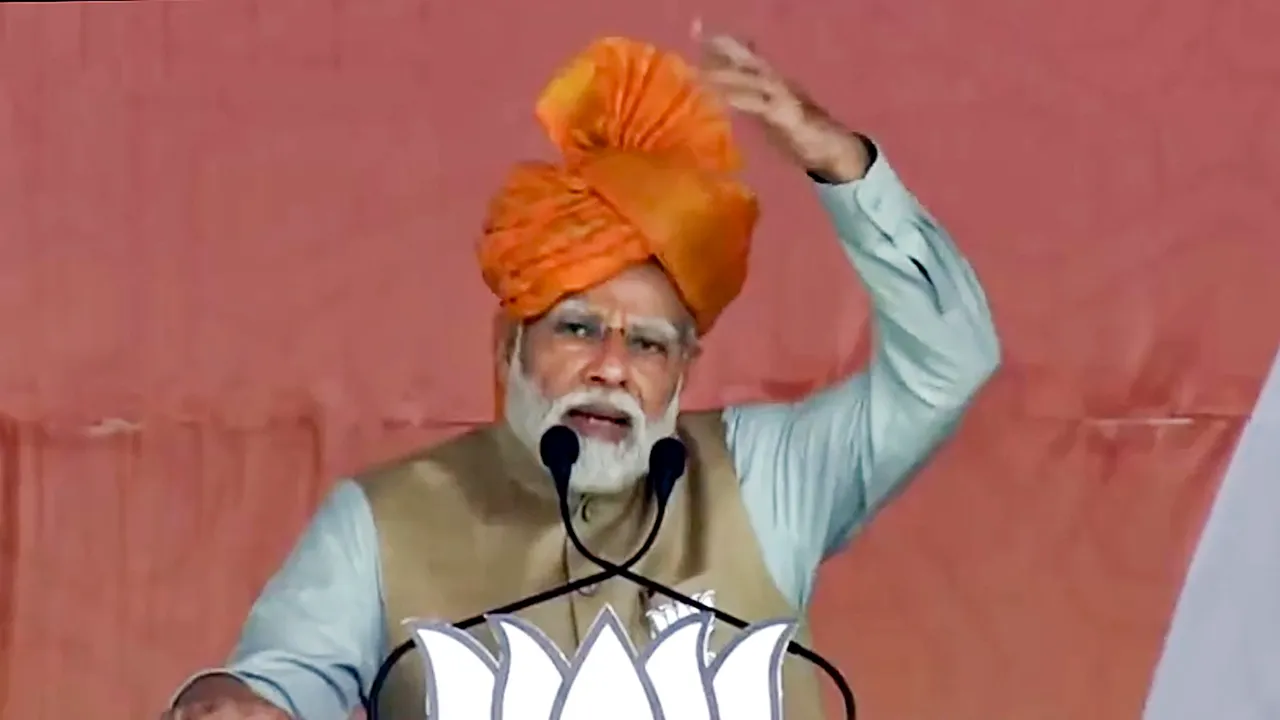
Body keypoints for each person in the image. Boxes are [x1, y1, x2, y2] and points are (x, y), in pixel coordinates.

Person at [165, 31, 1000, 720]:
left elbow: (951, 359)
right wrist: (224, 699)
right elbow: (273, 688)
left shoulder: (766, 479)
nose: (611, 368)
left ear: (682, 371)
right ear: (509, 348)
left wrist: (847, 172)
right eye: (577, 329)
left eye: (649, 346)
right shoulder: (383, 522)